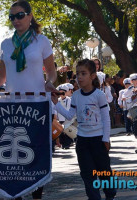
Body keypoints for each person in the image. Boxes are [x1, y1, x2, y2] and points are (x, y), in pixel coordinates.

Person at [0, 1, 57, 199]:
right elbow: (1, 77)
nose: (16, 20)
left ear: (30, 16)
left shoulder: (42, 41)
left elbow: (52, 72)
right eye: (12, 17)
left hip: (37, 104)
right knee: (13, 155)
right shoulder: (5, 44)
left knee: (36, 151)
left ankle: (37, 194)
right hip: (11, 105)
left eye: (20, 15)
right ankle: (15, 194)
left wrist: (49, 83)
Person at [52, 59, 116, 200]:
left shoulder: (99, 95)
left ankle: (110, 195)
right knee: (87, 174)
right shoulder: (75, 95)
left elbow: (106, 119)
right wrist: (56, 103)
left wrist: (106, 139)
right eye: (77, 74)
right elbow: (70, 115)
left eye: (83, 73)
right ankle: (94, 197)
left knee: (104, 171)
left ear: (92, 76)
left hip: (99, 140)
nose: (79, 77)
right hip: (82, 141)